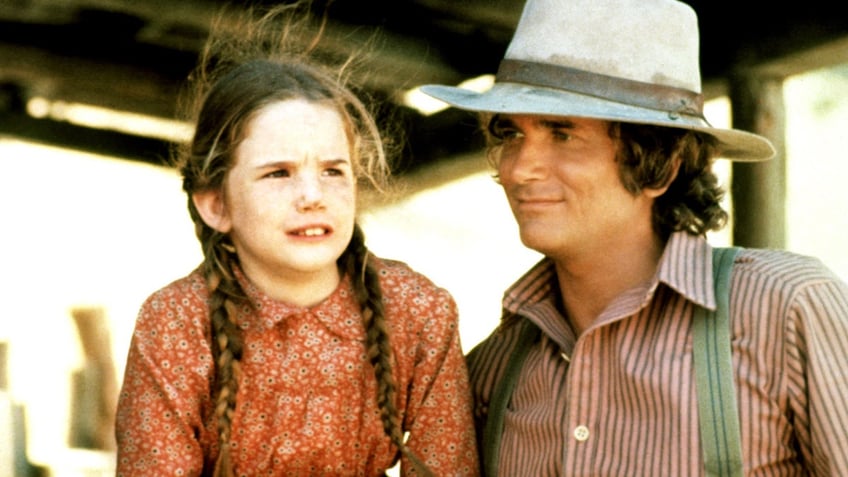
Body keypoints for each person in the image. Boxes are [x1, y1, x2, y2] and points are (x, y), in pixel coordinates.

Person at [421, 0, 848, 475]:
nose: (519, 168)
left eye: (562, 134)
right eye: (510, 133)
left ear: (660, 164)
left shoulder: (784, 308)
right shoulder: (491, 371)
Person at [114, 4, 479, 476]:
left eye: (332, 171)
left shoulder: (417, 311)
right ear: (215, 204)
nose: (312, 195)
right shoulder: (177, 324)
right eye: (278, 173)